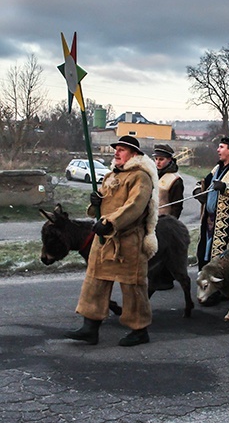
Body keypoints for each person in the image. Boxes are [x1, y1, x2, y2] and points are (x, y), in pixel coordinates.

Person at [64, 135, 159, 346]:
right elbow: (104, 202)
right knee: (94, 282)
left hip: (129, 241)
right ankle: (90, 327)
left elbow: (134, 207)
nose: (116, 152)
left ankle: (139, 330)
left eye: (122, 150)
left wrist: (110, 222)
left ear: (134, 154)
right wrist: (96, 202)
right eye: (116, 149)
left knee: (132, 287)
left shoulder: (140, 177)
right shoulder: (110, 176)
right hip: (104, 240)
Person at [194, 137, 229, 270]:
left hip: (228, 223)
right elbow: (204, 182)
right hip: (209, 219)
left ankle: (222, 284)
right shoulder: (217, 168)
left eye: (221, 147)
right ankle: (206, 278)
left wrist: (225, 188)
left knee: (224, 257)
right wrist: (198, 190)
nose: (218, 150)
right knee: (205, 251)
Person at [153, 144, 184, 219]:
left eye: (161, 159)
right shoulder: (152, 174)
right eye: (156, 159)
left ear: (169, 159)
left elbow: (177, 207)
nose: (157, 162)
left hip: (163, 221)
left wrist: (171, 223)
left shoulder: (175, 179)